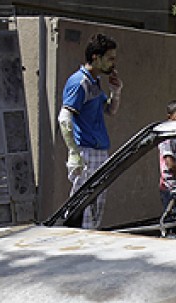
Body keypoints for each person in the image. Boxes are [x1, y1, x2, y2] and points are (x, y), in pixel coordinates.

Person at [58, 33, 123, 228]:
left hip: (98, 151)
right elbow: (64, 117)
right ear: (96, 57)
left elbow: (110, 110)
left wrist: (116, 92)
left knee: (95, 207)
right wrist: (74, 152)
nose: (113, 63)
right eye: (110, 58)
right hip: (86, 151)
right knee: (82, 206)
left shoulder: (94, 82)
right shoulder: (80, 82)